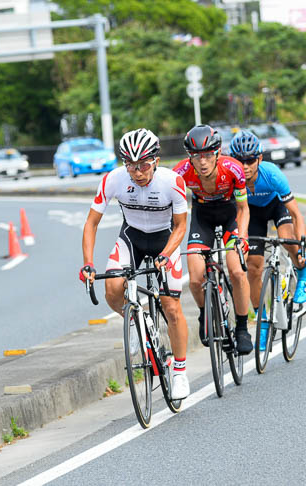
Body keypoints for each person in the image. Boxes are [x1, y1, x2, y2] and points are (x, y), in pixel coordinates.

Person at [80, 128, 191, 399]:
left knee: (171, 307)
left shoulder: (172, 182)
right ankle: (134, 320)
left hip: (165, 239)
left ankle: (179, 371)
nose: (137, 172)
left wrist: (166, 254)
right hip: (132, 237)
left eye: (142, 164)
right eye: (130, 165)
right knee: (113, 289)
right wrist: (88, 263)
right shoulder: (113, 180)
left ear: (155, 160)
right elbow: (91, 223)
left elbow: (180, 226)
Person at [173, 124, 253, 355]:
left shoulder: (234, 169)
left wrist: (243, 237)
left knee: (236, 270)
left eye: (208, 155)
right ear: (190, 157)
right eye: (197, 157)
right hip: (202, 216)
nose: (203, 162)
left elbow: (243, 208)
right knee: (196, 279)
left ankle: (241, 328)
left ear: (217, 153)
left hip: (230, 216)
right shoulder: (180, 173)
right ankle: (203, 312)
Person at [228, 130, 306, 351]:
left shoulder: (272, 174)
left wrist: (300, 243)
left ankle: (302, 272)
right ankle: (262, 321)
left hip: (276, 207)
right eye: (239, 160)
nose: (245, 166)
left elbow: (296, 214)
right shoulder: (233, 179)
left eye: (250, 160)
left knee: (287, 240)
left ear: (260, 159)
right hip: (251, 214)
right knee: (254, 268)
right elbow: (235, 215)